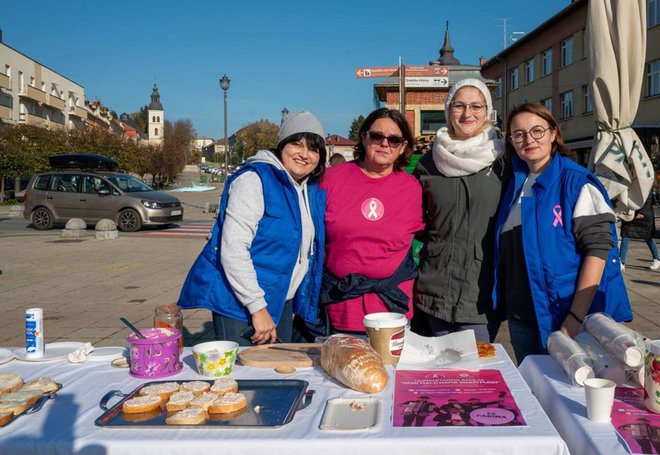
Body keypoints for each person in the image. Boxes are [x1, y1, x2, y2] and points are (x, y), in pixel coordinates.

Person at [493, 103, 632, 363]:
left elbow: (598, 249)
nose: (528, 140)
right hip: (522, 317)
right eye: (519, 134)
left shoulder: (576, 181)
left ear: (553, 133)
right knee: (536, 391)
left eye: (537, 130)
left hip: (564, 317)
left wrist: (575, 317)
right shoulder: (514, 185)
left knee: (572, 395)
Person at [177, 111, 327, 345]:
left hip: (280, 300)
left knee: (276, 373)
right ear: (281, 145)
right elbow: (233, 248)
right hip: (241, 302)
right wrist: (257, 308)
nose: (304, 155)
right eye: (297, 144)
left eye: (313, 149)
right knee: (245, 377)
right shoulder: (254, 180)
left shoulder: (303, 189)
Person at [412, 78, 507, 343]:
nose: (467, 114)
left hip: (481, 295)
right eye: (459, 106)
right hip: (434, 290)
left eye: (476, 106)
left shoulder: (505, 161)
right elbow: (416, 220)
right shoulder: (429, 162)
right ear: (448, 110)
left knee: (473, 376)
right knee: (432, 377)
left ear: (487, 112)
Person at [316, 108, 424, 338]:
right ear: (364, 137)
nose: (385, 144)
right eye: (377, 136)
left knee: (390, 374)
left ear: (403, 147)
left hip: (392, 311)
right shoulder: (331, 179)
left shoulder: (413, 188)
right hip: (341, 307)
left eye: (394, 139)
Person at [620, 193, 660, 271]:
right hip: (631, 213)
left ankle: (656, 259)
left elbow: (648, 198)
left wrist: (642, 212)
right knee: (626, 236)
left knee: (648, 237)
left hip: (644, 215)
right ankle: (621, 262)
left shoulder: (646, 182)